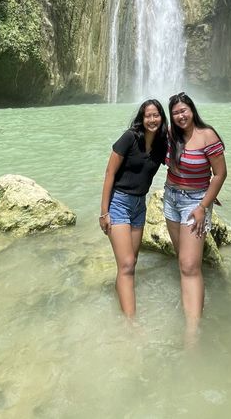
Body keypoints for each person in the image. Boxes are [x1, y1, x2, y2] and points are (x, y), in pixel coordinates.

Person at [164, 92, 227, 336]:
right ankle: (194, 305)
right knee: (184, 261)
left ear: (192, 109)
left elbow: (220, 174)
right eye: (176, 112)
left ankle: (192, 332)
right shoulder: (171, 135)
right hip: (170, 199)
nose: (180, 116)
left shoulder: (207, 135)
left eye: (184, 110)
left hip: (194, 204)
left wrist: (203, 206)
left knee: (189, 266)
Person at [99, 99, 168, 317]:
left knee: (131, 262)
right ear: (141, 118)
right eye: (148, 115)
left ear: (161, 118)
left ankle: (119, 297)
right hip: (119, 202)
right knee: (127, 263)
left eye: (156, 115)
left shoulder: (161, 145)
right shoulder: (129, 138)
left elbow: (180, 164)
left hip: (140, 205)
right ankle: (130, 322)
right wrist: (104, 212)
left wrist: (205, 188)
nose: (152, 119)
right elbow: (109, 173)